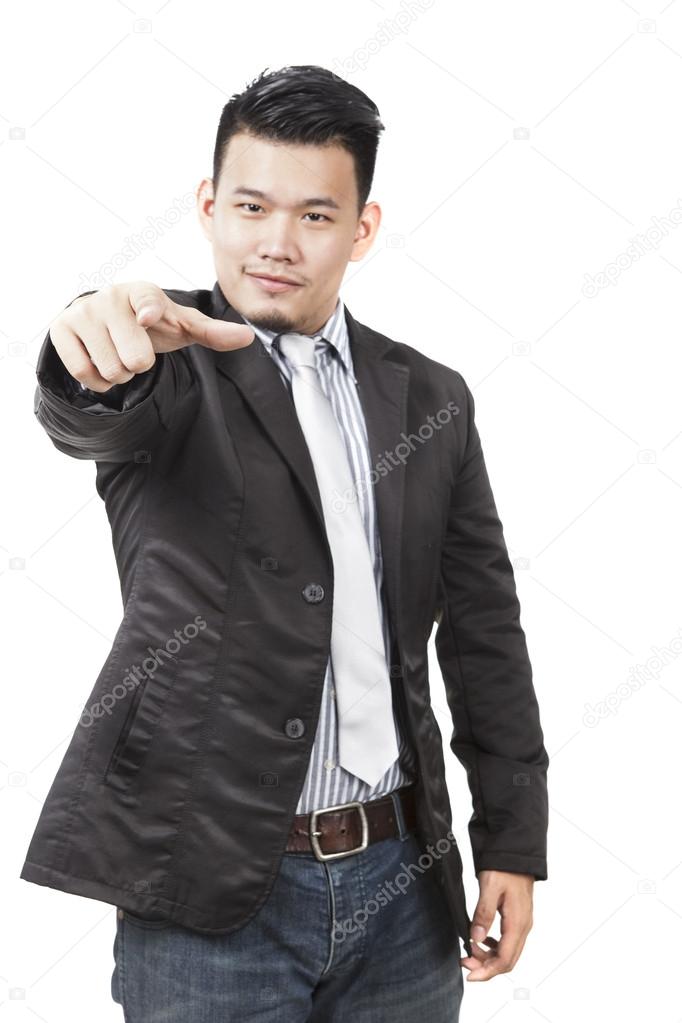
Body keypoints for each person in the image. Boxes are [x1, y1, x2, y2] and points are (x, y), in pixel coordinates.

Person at [22, 64, 549, 1022]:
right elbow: (89, 405)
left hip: (404, 889)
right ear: (208, 206)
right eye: (251, 206)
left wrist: (512, 840)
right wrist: (83, 356)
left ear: (363, 229)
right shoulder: (167, 361)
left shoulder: (431, 398)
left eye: (313, 215)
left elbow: (484, 630)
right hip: (209, 893)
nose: (274, 242)